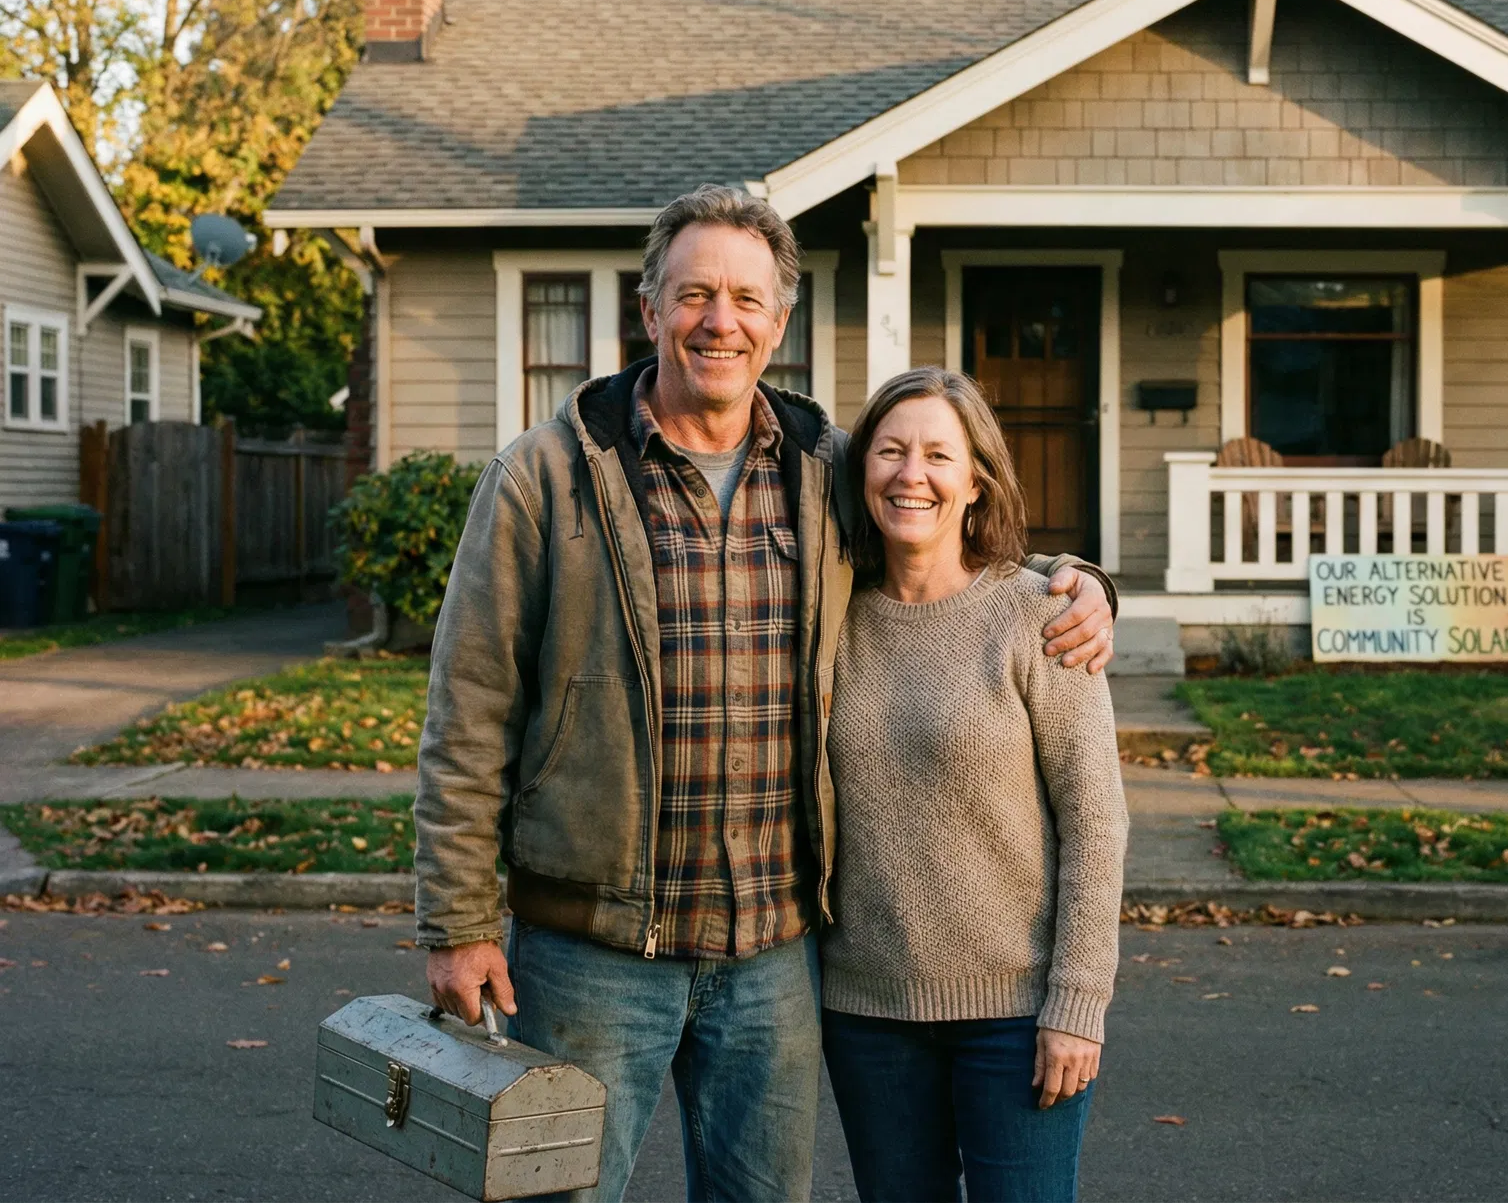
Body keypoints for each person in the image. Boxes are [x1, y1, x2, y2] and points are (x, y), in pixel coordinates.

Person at [413, 184, 1118, 1203]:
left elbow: (942, 526)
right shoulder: (544, 475)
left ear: (778, 323)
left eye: (747, 299)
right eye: (695, 294)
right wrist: (457, 921)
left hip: (774, 957)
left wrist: (1083, 582)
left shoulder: (823, 468)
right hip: (593, 949)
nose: (721, 320)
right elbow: (468, 709)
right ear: (649, 309)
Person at [821, 367, 1129, 1203]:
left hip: (1017, 1014)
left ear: (973, 482)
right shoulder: (830, 619)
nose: (909, 474)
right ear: (861, 473)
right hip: (867, 1013)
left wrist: (1075, 1006)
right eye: (888, 451)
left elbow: (1096, 824)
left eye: (936, 455)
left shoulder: (1040, 615)